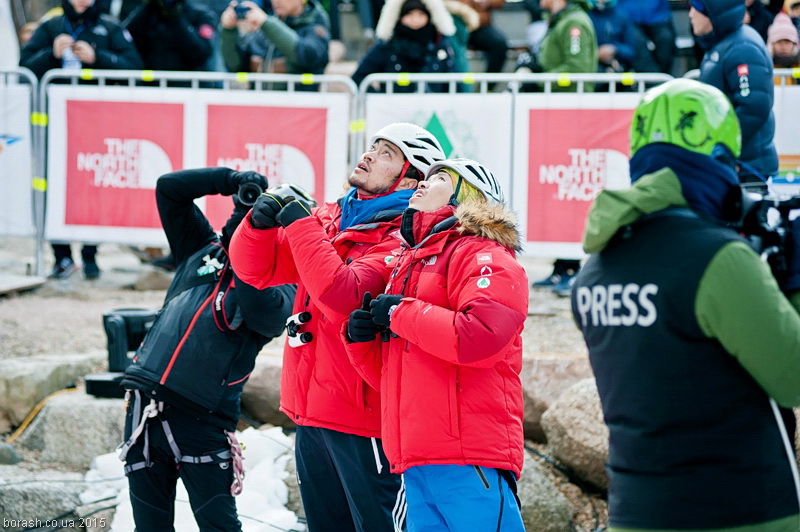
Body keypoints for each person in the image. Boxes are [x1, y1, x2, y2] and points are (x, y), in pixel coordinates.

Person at [571, 77, 800, 531]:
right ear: (715, 161)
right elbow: (792, 377)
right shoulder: (717, 258)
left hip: (636, 509)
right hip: (740, 508)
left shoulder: (594, 270)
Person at [229, 123, 446, 531]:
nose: (368, 155)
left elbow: (342, 294)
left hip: (365, 420)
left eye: (386, 153)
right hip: (311, 412)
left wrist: (297, 221)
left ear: (413, 176)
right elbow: (255, 271)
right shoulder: (332, 217)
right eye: (372, 147)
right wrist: (256, 226)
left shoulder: (405, 236)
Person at [344, 158, 528, 531]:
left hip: (468, 456)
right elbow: (389, 379)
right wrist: (360, 341)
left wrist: (400, 313)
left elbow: (481, 337)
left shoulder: (484, 253)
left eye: (440, 178)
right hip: (414, 457)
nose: (423, 184)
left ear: (470, 196)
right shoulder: (411, 262)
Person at [117, 167, 295, 531]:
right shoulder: (199, 246)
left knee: (219, 526)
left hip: (202, 420)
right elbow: (169, 189)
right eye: (246, 208)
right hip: (143, 408)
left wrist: (250, 246)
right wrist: (229, 180)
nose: (246, 217)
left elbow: (267, 318)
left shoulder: (283, 281)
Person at [19, 0, 143, 280]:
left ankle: (90, 255)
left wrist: (98, 57)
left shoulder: (109, 27)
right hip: (54, 120)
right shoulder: (50, 26)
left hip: (95, 123)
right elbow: (23, 67)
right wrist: (50, 55)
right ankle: (61, 257)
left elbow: (134, 66)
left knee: (90, 183)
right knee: (52, 182)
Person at [517, 0, 596, 296]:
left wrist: (538, 76)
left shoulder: (574, 23)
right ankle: (563, 265)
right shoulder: (561, 20)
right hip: (557, 111)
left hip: (569, 112)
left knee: (568, 187)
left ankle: (572, 265)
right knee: (557, 188)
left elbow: (577, 69)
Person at [691, 0, 778, 186]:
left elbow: (753, 109)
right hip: (729, 165)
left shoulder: (742, 48)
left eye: (695, 9)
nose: (690, 15)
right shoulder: (722, 44)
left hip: (745, 168)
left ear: (712, 14)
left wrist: (724, 148)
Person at [352, 0, 458, 92]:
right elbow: (359, 76)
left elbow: (454, 79)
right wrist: (378, 99)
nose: (415, 19)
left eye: (421, 14)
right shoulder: (387, 45)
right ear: (400, 16)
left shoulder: (439, 45)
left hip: (432, 111)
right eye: (409, 14)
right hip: (394, 110)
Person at [219, 0, 330, 76]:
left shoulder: (315, 26)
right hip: (262, 105)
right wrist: (229, 30)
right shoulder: (266, 26)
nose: (276, 1)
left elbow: (307, 56)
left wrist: (267, 23)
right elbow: (235, 65)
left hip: (302, 106)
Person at [123, 0, 217, 73]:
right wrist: (148, 6)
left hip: (188, 86)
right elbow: (124, 40)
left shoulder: (200, 15)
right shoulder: (149, 12)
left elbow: (200, 53)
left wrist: (175, 15)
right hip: (150, 86)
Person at [616, 0, 675, 74]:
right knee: (637, 43)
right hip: (628, 17)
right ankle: (654, 80)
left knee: (666, 38)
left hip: (658, 17)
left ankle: (663, 77)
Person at [458, 0, 509, 75]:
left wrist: (488, 2)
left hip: (480, 26)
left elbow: (500, 2)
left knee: (499, 44)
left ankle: (487, 84)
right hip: (456, 23)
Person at [768, 11, 800, 79]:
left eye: (787, 41)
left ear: (794, 44)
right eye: (779, 42)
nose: (783, 47)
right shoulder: (766, 67)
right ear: (772, 44)